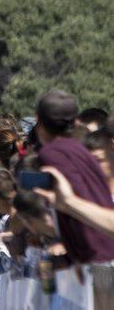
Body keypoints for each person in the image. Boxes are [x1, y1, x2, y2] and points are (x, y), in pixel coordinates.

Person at [34, 90, 114, 263]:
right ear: (76, 123)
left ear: (38, 123)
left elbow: (76, 202)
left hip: (94, 259)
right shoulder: (80, 150)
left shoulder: (52, 153)